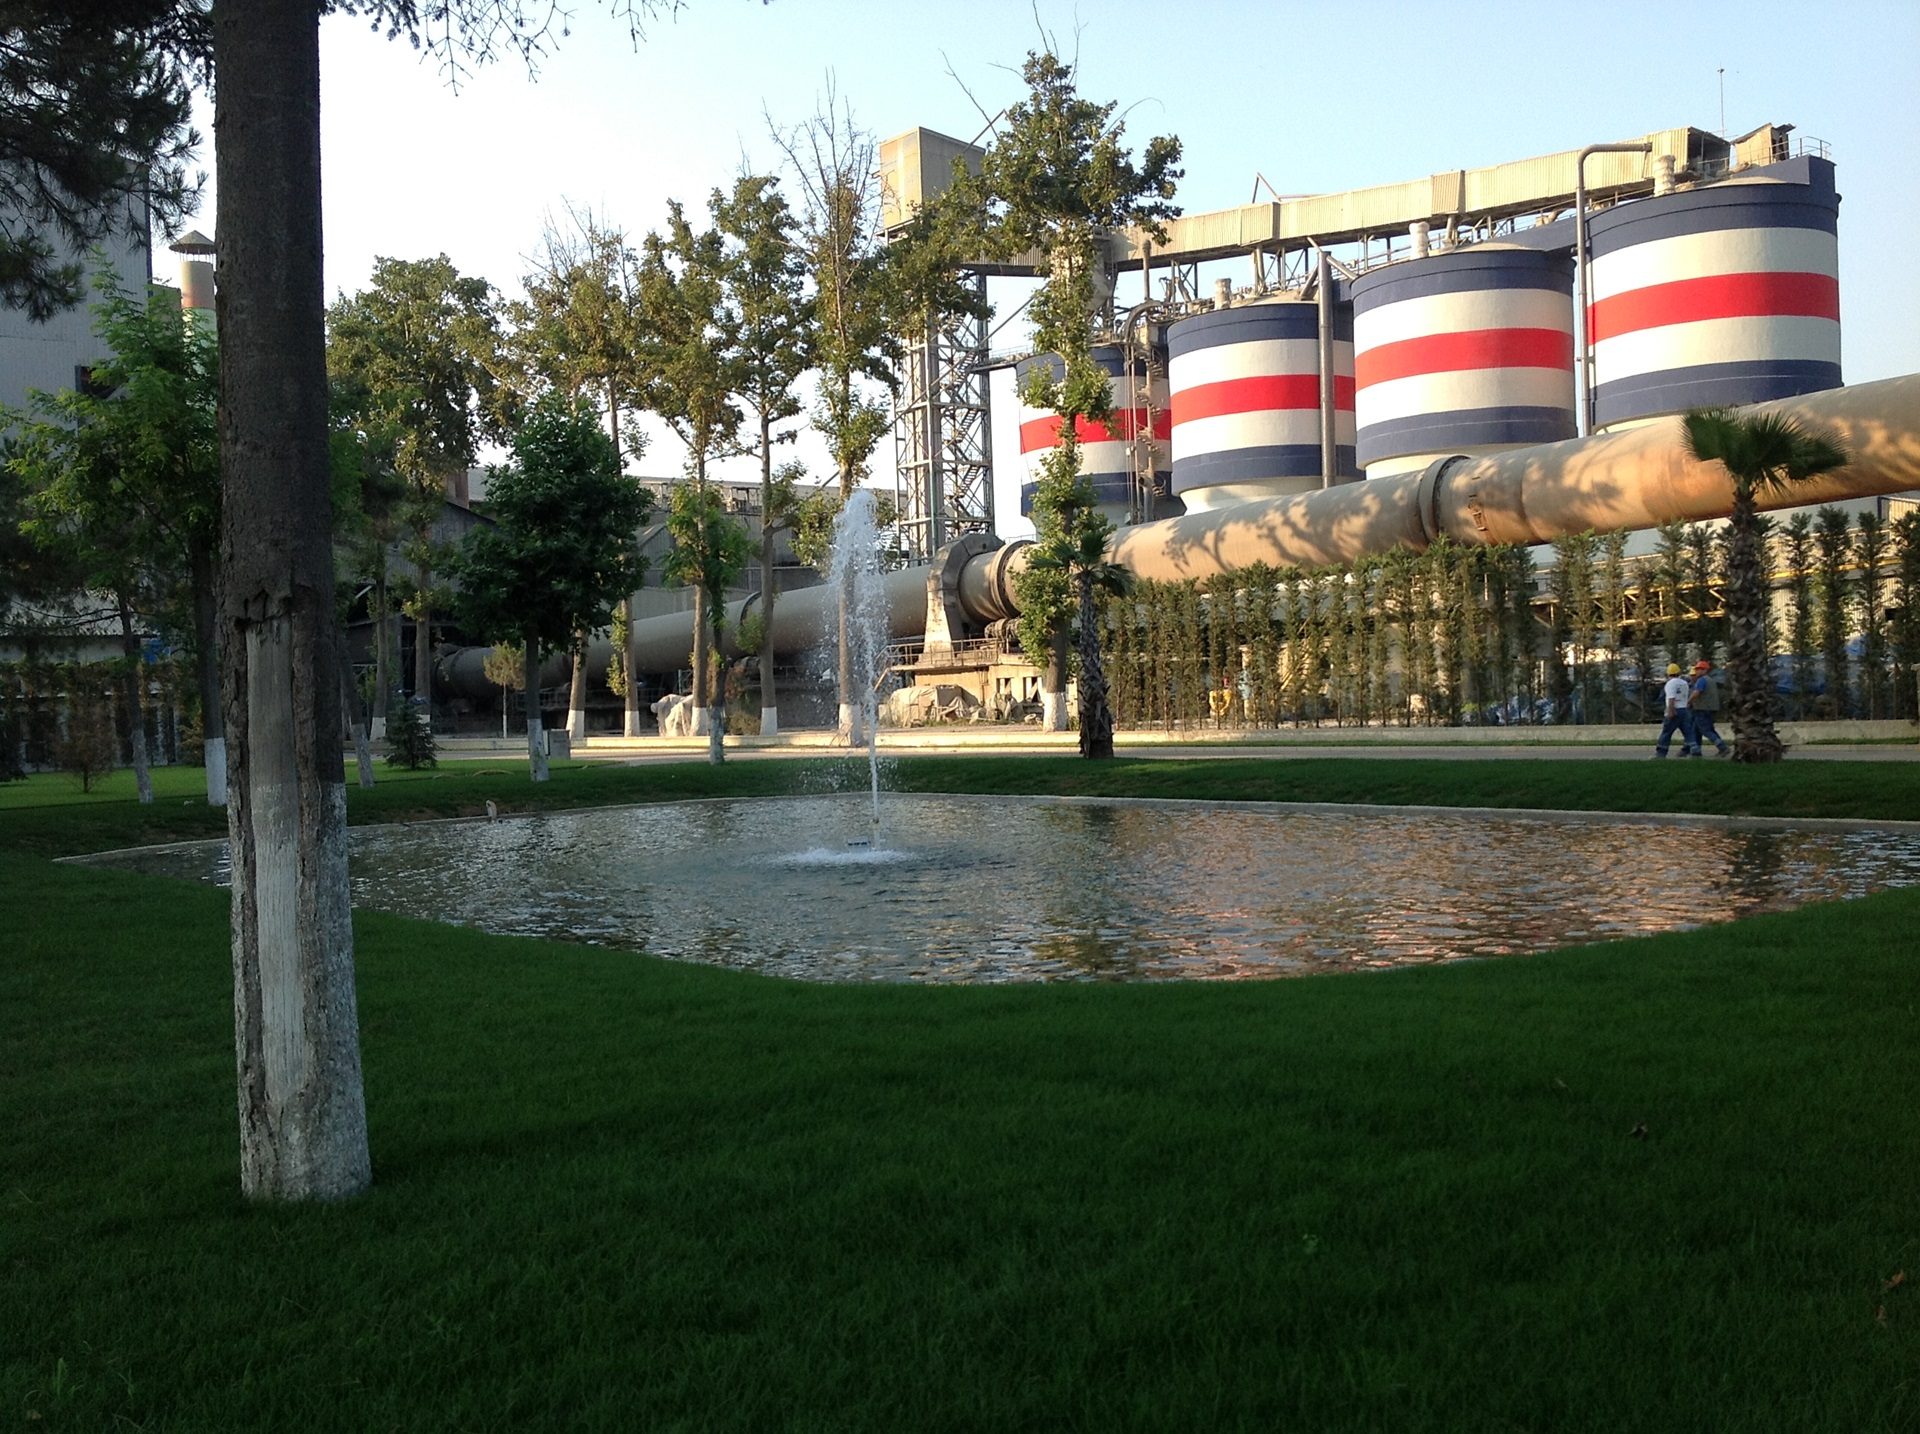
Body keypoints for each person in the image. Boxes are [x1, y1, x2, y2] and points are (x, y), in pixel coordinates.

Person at [1689, 657, 1731, 757]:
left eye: (1699, 669)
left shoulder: (1701, 680)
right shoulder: (1711, 681)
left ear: (1704, 670)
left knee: (1706, 730)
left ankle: (1722, 747)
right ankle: (1696, 751)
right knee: (1696, 729)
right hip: (1711, 708)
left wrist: (1689, 701)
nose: (1697, 671)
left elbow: (1697, 692)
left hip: (1702, 708)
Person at [1654, 661, 1694, 758]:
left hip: (1674, 709)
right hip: (1684, 710)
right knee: (1688, 732)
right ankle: (1695, 750)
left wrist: (1670, 711)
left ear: (1668, 673)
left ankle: (1661, 753)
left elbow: (1671, 698)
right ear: (1679, 672)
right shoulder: (1684, 683)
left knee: (1667, 732)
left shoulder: (1670, 684)